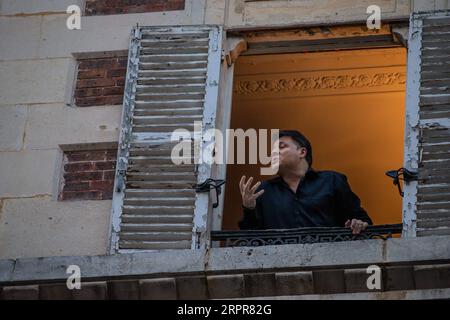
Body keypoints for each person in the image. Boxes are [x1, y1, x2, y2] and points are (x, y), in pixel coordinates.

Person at [239, 130, 372, 234]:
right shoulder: (263, 190)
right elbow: (250, 238)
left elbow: (362, 220)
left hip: (328, 263)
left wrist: (358, 223)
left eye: (281, 146)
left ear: (302, 152)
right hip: (278, 265)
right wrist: (249, 208)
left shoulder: (332, 181)